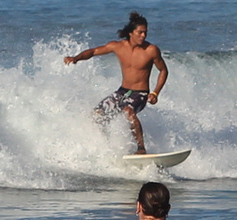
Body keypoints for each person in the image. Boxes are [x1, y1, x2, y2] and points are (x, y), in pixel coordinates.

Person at [64, 12, 168, 154]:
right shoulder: (118, 46)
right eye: (140, 32)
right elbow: (94, 51)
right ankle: (105, 146)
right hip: (123, 91)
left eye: (145, 32)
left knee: (128, 111)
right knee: (97, 114)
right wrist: (76, 58)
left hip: (140, 93)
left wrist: (155, 92)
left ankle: (141, 149)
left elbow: (163, 71)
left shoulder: (151, 50)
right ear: (131, 33)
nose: (144, 36)